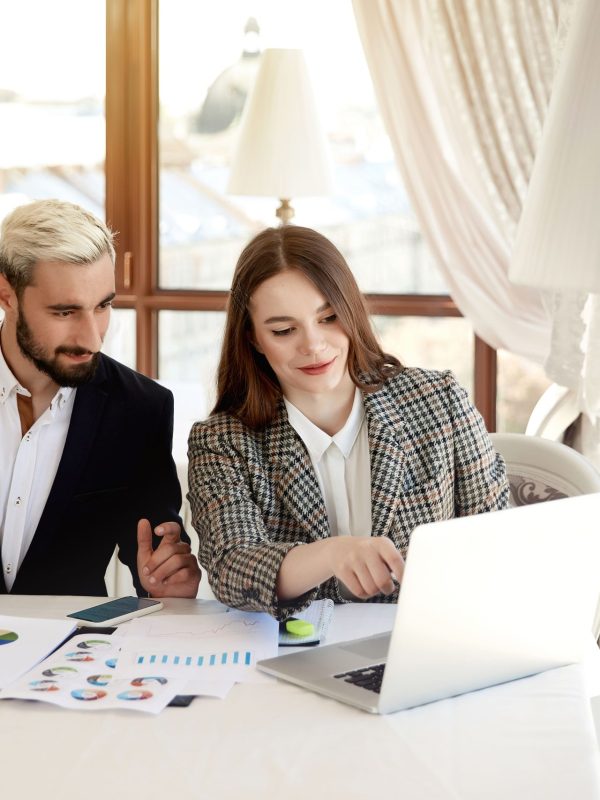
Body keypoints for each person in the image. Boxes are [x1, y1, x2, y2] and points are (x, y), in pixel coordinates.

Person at [188, 225, 509, 619]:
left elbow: (498, 539)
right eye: (284, 330)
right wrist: (332, 554)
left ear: (352, 310)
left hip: (431, 640)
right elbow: (232, 566)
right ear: (253, 338)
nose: (313, 344)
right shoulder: (222, 440)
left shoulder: (438, 400)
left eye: (329, 317)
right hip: (295, 658)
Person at [0, 199, 201, 598]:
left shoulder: (140, 411)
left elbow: (155, 562)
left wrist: (168, 577)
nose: (92, 339)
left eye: (103, 306)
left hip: (68, 656)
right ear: (6, 294)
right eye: (64, 312)